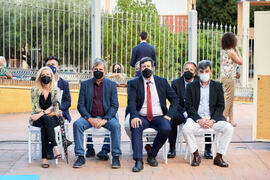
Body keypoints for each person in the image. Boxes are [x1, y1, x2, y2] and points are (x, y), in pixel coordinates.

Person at [127, 57, 178, 172]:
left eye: (148, 66)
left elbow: (175, 99)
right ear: (140, 69)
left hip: (159, 117)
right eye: (143, 67)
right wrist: (134, 116)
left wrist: (169, 115)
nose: (146, 69)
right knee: (136, 126)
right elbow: (131, 102)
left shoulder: (162, 82)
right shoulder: (133, 83)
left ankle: (152, 155)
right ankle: (138, 161)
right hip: (142, 116)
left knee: (166, 128)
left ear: (153, 68)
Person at [183, 60, 234, 167]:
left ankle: (219, 157)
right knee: (186, 129)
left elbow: (221, 106)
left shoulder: (217, 86)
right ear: (197, 73)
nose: (204, 74)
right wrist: (199, 120)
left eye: (207, 71)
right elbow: (188, 106)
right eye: (202, 71)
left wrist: (212, 120)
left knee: (229, 128)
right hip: (196, 119)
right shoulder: (191, 87)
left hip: (213, 119)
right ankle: (196, 155)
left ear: (211, 72)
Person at [73, 58, 121, 169]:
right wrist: (90, 119)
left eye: (100, 69)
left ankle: (116, 156)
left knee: (116, 126)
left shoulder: (111, 85)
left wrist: (105, 119)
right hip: (89, 117)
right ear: (92, 70)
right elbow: (80, 105)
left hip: (106, 117)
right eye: (96, 69)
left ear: (104, 71)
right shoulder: (85, 84)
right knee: (77, 124)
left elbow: (115, 105)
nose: (98, 71)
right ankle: (80, 156)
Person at [168, 62, 205, 158]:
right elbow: (175, 101)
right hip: (182, 111)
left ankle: (208, 149)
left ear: (195, 73)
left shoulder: (201, 82)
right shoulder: (175, 83)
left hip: (197, 112)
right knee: (172, 118)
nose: (188, 71)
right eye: (186, 69)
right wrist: (185, 112)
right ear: (182, 71)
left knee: (208, 116)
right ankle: (172, 148)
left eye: (191, 70)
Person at [30, 66, 62, 168]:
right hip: (37, 119)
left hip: (47, 118)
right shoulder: (35, 90)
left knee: (45, 125)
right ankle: (55, 147)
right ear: (39, 77)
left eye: (48, 75)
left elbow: (55, 107)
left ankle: (44, 159)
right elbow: (36, 108)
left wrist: (42, 114)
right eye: (43, 75)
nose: (45, 77)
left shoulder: (56, 90)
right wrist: (46, 113)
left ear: (52, 77)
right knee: (46, 119)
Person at [45, 56, 72, 159]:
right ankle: (53, 147)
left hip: (60, 112)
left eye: (53, 65)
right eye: (48, 65)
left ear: (58, 67)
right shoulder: (42, 82)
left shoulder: (64, 83)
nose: (50, 67)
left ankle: (50, 149)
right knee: (47, 119)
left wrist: (59, 108)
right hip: (46, 112)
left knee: (50, 120)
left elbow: (68, 101)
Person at [220, 32, 243, 127]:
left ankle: (231, 119)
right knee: (229, 99)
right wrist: (237, 49)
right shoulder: (231, 52)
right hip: (229, 78)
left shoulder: (224, 51)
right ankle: (223, 118)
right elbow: (240, 61)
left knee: (230, 98)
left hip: (225, 77)